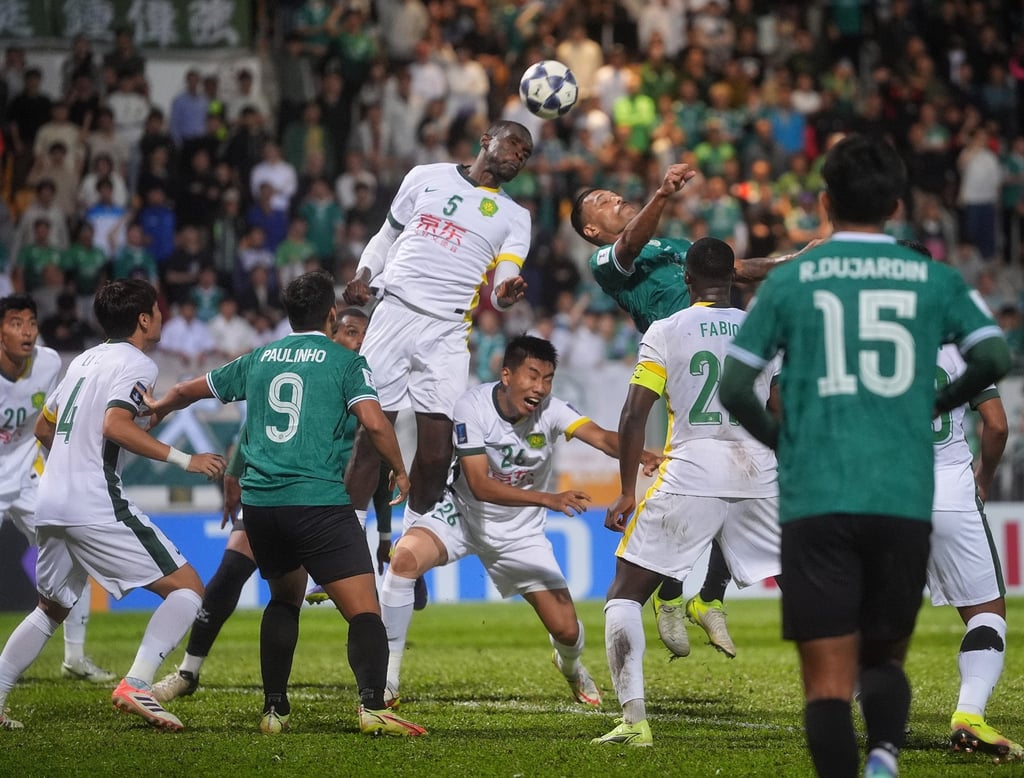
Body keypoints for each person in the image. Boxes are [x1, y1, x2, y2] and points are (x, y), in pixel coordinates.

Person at [719, 135, 1011, 778]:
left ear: (825, 201)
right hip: (902, 492)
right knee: (885, 658)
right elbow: (994, 360)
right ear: (898, 205)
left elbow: (737, 387)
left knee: (827, 681)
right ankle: (884, 755)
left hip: (820, 493)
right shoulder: (934, 279)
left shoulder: (794, 279)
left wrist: (783, 449)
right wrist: (932, 409)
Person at [142, 271, 426, 737]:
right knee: (365, 611)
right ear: (332, 316)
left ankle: (275, 709)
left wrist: (161, 407)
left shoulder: (259, 358)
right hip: (317, 503)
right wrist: (399, 468)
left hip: (262, 508)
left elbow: (191, 389)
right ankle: (373, 706)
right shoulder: (345, 363)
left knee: (283, 601)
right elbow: (375, 424)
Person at [570, 163, 787, 659]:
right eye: (602, 200)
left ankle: (706, 597)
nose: (614, 198)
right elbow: (626, 245)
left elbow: (734, 269)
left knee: (738, 480)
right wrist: (662, 195)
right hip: (681, 362)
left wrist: (799, 257)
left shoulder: (668, 248)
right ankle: (671, 597)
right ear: (590, 229)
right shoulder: (607, 259)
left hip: (726, 342)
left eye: (612, 192)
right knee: (705, 482)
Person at [380, 335, 662, 710]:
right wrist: (550, 499)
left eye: (548, 379)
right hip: (461, 514)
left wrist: (637, 452)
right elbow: (479, 485)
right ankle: (386, 679)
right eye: (533, 376)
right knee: (403, 561)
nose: (540, 388)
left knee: (567, 630)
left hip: (519, 534)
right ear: (507, 374)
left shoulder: (552, 411)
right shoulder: (472, 406)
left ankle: (571, 666)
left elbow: (601, 437)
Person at [0, 279, 226, 731]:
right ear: (144, 319)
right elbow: (115, 425)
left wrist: (71, 463)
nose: (161, 314)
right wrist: (187, 459)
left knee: (51, 608)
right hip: (93, 501)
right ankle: (138, 683)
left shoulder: (83, 360)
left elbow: (46, 430)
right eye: (157, 310)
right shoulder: (138, 362)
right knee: (187, 590)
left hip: (49, 499)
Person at [593, 238, 781, 747]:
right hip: (760, 472)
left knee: (624, 595)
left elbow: (635, 414)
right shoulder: (763, 329)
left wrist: (627, 491)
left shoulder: (667, 329)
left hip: (693, 469)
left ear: (687, 280)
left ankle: (635, 723)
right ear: (735, 278)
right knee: (811, 592)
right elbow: (782, 407)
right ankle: (858, 690)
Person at [341, 120, 533, 566]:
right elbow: (386, 236)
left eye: (526, 155)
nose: (519, 156)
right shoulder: (424, 176)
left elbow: (504, 280)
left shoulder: (515, 216)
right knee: (371, 436)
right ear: (486, 139)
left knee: (436, 450)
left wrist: (503, 296)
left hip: (447, 330)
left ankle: (410, 550)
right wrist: (364, 274)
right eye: (514, 145)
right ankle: (346, 558)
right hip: (393, 313)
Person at [897, 240, 1021, 760]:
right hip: (948, 484)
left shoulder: (856, 336)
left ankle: (876, 713)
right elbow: (995, 427)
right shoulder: (957, 339)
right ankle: (969, 712)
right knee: (987, 615)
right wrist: (984, 475)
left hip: (880, 486)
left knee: (867, 612)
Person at [0, 294, 113, 688]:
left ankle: (75, 657)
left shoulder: (48, 363)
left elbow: (53, 418)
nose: (27, 330)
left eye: (31, 321)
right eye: (16, 322)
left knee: (75, 557)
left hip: (29, 478)